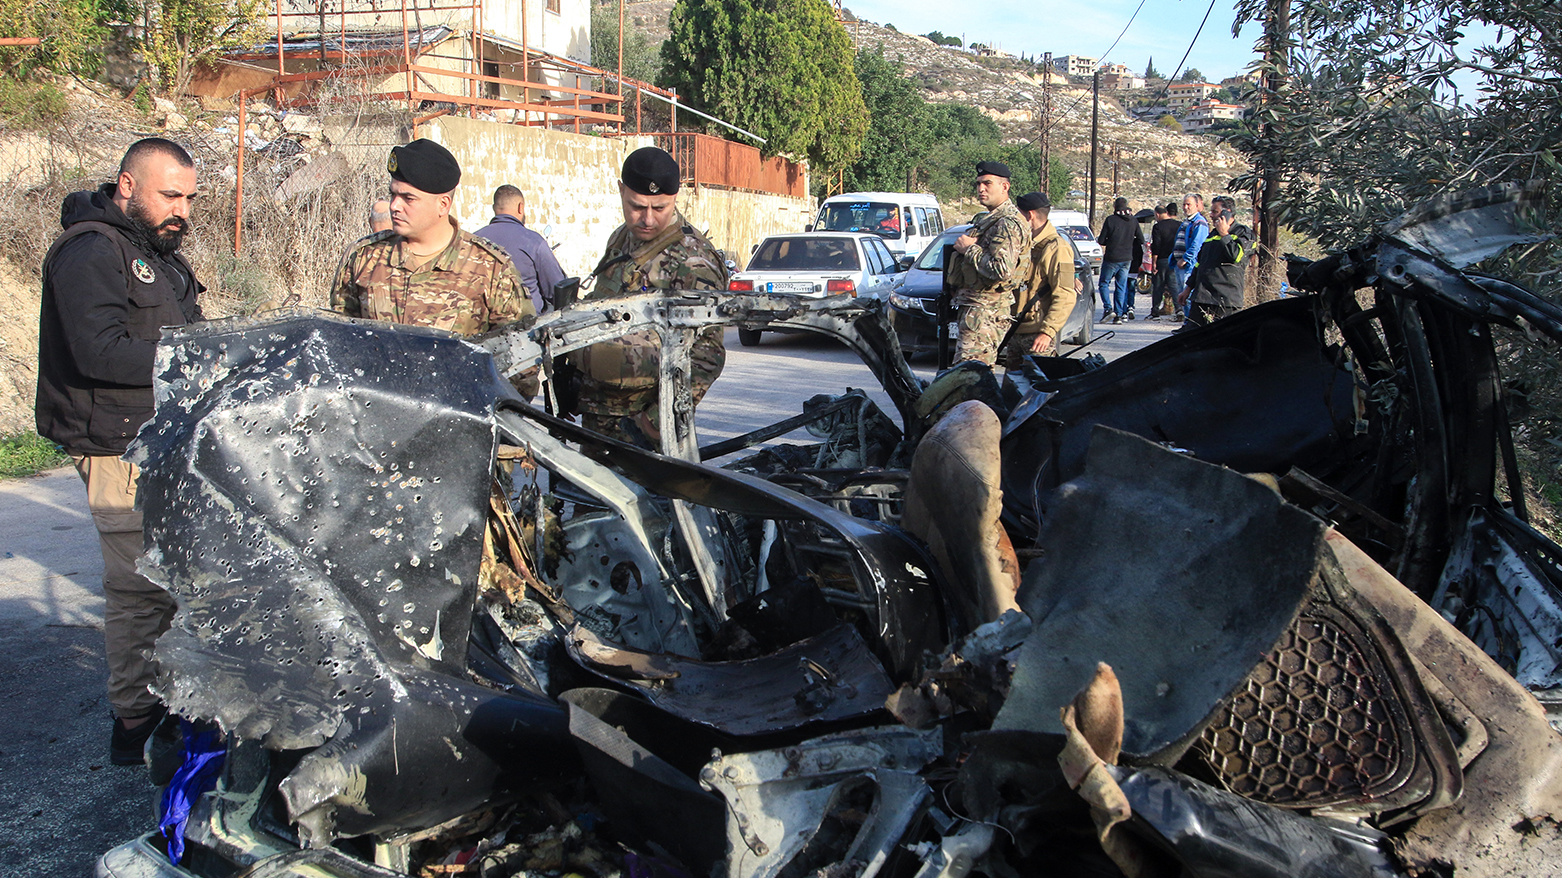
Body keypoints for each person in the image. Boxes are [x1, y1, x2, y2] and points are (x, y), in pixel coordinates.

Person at [35, 137, 205, 765]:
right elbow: (98, 352)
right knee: (139, 588)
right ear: (127, 186)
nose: (181, 208)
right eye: (169, 195)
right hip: (115, 444)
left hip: (159, 439)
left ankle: (168, 699)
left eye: (189, 197)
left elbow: (171, 330)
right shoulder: (90, 251)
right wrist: (200, 359)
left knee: (174, 579)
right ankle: (134, 724)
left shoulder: (153, 251)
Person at [572, 146, 728, 446]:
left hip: (643, 432)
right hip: (599, 417)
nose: (647, 219)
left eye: (659, 208)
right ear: (621, 191)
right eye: (637, 206)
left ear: (675, 198)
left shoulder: (694, 259)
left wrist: (654, 422)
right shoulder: (621, 238)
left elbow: (708, 353)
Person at [331, 139, 533, 336]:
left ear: (443, 204)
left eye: (408, 198)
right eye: (393, 195)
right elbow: (340, 339)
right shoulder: (363, 258)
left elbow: (520, 356)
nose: (394, 206)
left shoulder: (490, 268)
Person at [946, 160, 1029, 365]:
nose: (981, 189)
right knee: (969, 374)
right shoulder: (990, 219)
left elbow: (1002, 270)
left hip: (985, 312)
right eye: (978, 184)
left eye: (987, 183)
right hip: (977, 310)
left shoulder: (1006, 223)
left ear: (1004, 187)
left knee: (971, 375)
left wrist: (969, 249)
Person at [1006, 191, 1078, 366]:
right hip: (1015, 331)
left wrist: (1047, 332)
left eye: (1019, 215)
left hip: (1037, 336)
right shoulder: (1024, 243)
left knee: (1039, 389)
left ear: (1030, 215)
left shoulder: (1056, 247)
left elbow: (1066, 294)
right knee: (1013, 389)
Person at [475, 184, 566, 314]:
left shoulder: (473, 241)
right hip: (528, 327)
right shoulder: (533, 241)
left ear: (494, 208)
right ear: (520, 207)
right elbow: (557, 290)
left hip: (484, 327)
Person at [1180, 195, 1253, 328]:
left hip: (1225, 300)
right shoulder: (1212, 235)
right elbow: (1200, 264)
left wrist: (1225, 234)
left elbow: (1236, 257)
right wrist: (1188, 288)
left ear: (1227, 213)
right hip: (1202, 298)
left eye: (1215, 211)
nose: (1211, 215)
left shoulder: (1243, 233)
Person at [1095, 196, 1143, 323]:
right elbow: (1141, 239)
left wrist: (1110, 241)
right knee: (1121, 286)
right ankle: (1119, 315)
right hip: (1127, 258)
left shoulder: (1110, 220)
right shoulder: (1133, 221)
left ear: (1115, 208)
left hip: (1112, 257)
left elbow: (1101, 240)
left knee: (1104, 283)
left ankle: (1108, 309)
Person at [1171, 193, 1209, 322]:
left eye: (1189, 204)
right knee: (1182, 296)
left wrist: (1185, 259)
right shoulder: (1187, 222)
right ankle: (1187, 323)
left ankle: (1190, 324)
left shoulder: (1199, 223)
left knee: (1187, 296)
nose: (1186, 207)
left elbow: (1197, 245)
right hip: (1180, 265)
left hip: (1189, 266)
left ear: (1197, 206)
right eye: (1184, 204)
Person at [1148, 202, 1181, 319]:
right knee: (1174, 286)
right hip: (1176, 260)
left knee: (1158, 286)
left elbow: (1156, 246)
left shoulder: (1158, 227)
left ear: (1157, 214)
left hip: (1162, 259)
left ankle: (1155, 311)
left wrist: (1154, 263)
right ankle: (1179, 309)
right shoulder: (1180, 225)